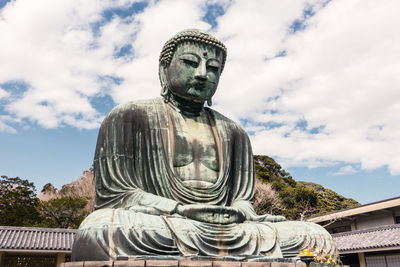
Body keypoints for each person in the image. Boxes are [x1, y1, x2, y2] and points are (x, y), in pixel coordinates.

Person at [71, 29, 335, 262]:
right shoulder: (128, 115)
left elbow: (242, 198)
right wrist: (179, 209)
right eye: (190, 62)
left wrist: (242, 213)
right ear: (164, 68)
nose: (202, 74)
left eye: (213, 68)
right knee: (101, 229)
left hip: (230, 229)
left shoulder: (234, 131)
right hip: (163, 222)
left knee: (313, 236)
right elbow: (116, 194)